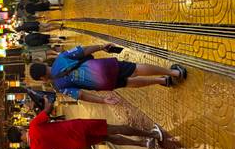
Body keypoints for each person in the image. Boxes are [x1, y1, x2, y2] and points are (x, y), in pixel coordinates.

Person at [29, 43, 187, 105]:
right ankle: (173, 72)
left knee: (129, 83)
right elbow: (83, 50)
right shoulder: (61, 58)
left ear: (42, 78)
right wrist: (101, 47)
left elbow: (81, 95)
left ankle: (161, 81)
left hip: (101, 84)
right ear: (44, 65)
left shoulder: (59, 86)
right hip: (101, 67)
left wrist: (104, 100)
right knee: (136, 69)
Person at [7, 96, 164, 149]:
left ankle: (143, 144)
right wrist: (47, 101)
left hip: (78, 144)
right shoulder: (33, 126)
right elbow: (48, 111)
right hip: (77, 128)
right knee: (114, 128)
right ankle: (153, 135)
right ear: (20, 129)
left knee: (109, 138)